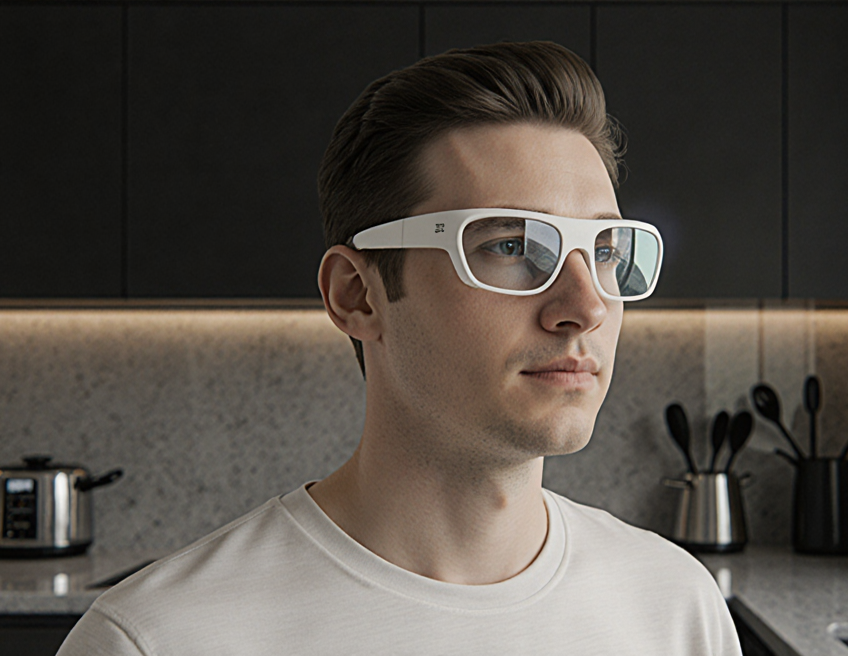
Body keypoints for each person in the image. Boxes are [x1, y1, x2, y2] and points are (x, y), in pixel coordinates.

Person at [57, 40, 740, 655]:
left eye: (605, 250)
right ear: (357, 296)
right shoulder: (161, 639)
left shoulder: (676, 608)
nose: (586, 306)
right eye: (509, 247)